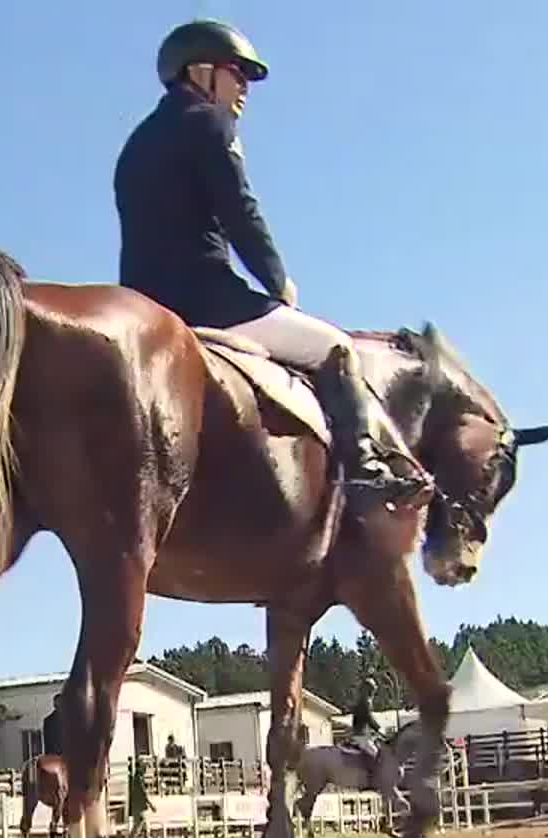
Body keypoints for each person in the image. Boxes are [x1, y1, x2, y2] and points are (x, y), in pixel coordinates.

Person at [114, 19, 429, 514]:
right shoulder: (210, 123)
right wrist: (276, 280)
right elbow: (240, 210)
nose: (243, 88)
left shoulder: (134, 144)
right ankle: (365, 472)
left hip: (141, 306)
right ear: (198, 71)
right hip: (209, 300)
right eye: (235, 72)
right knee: (335, 347)